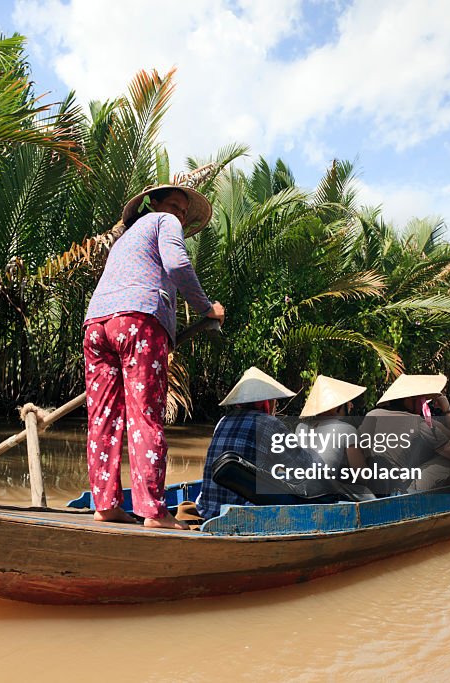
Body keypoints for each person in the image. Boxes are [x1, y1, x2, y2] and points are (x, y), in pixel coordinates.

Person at [83, 183, 225, 530]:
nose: (178, 213)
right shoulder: (164, 223)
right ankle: (154, 511)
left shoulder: (126, 238)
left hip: (96, 326)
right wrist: (208, 309)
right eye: (173, 205)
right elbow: (177, 265)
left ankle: (106, 505)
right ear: (154, 204)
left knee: (103, 418)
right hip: (138, 321)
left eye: (182, 210)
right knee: (145, 416)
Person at [356, 374, 450, 495]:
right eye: (422, 400)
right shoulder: (419, 424)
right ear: (408, 400)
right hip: (401, 489)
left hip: (372, 486)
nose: (424, 404)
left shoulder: (371, 414)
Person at [196, 367, 309, 519]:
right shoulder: (269, 423)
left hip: (206, 510)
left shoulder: (223, 421)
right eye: (274, 400)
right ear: (266, 402)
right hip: (240, 515)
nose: (275, 405)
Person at [296, 375, 368, 473]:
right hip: (323, 487)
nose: (351, 405)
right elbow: (361, 473)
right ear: (336, 406)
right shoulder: (348, 430)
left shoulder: (300, 427)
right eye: (346, 402)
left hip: (299, 485)